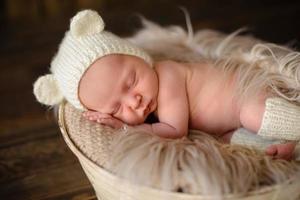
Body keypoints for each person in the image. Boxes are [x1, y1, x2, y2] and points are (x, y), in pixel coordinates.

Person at [33, 10, 299, 160]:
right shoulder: (150, 95)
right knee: (232, 141)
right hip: (229, 124)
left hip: (243, 97)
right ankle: (287, 145)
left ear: (141, 59)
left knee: (252, 114)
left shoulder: (167, 74)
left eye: (132, 81)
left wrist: (125, 126)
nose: (134, 100)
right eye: (116, 108)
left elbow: (174, 131)